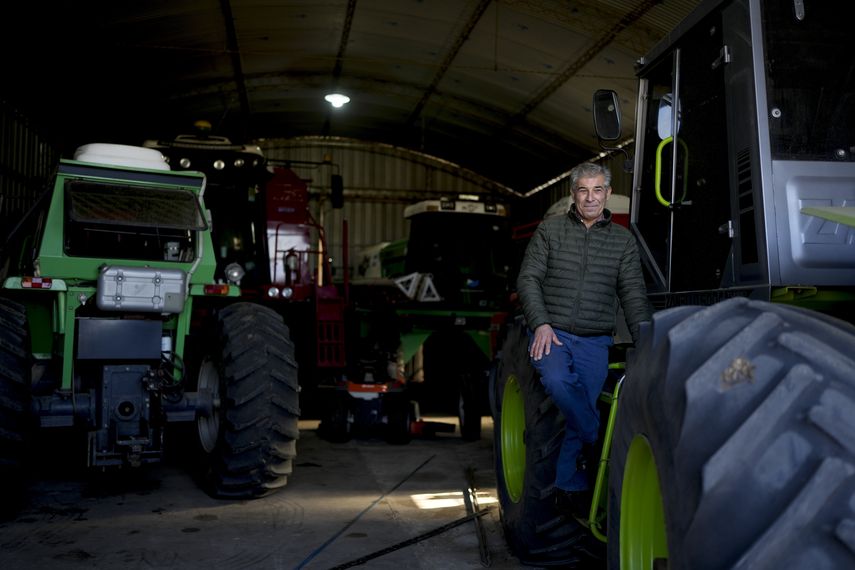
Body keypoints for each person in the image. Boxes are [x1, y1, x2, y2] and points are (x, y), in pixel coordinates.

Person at [516, 161, 651, 524]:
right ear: (573, 195)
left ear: (606, 194)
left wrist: (647, 342)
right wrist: (540, 324)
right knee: (559, 383)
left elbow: (634, 294)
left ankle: (568, 488)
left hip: (595, 340)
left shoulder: (622, 240)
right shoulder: (551, 231)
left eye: (597, 190)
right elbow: (528, 279)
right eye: (582, 190)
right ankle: (595, 438)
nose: (590, 197)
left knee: (581, 406)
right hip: (553, 334)